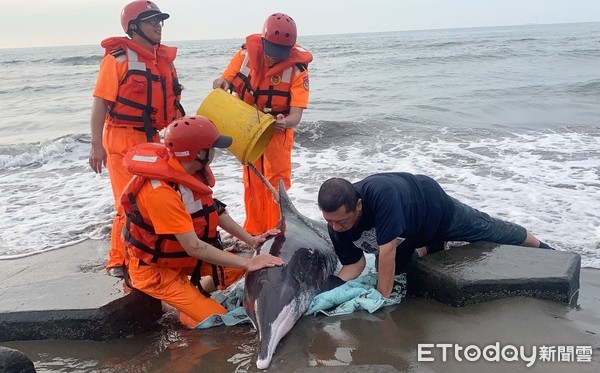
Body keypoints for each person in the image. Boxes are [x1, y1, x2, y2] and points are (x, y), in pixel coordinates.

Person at [120, 115, 284, 327]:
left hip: (178, 258)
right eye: (212, 147)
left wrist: (252, 241)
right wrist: (248, 262)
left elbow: (214, 211)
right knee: (218, 320)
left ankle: (197, 293)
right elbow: (194, 247)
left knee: (239, 269)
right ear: (198, 153)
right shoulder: (160, 193)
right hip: (155, 270)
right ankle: (185, 313)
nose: (216, 151)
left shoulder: (188, 170)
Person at [317, 172, 555, 298]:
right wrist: (329, 289)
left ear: (358, 205)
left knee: (489, 229)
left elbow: (387, 249)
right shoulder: (335, 224)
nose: (335, 227)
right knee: (398, 272)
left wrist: (382, 296)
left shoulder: (381, 195)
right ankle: (431, 246)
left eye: (341, 221)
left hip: (435, 209)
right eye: (330, 221)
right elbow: (354, 264)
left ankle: (541, 246)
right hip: (408, 236)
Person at [88, 1, 185, 277]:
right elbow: (100, 104)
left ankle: (148, 253)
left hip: (152, 139)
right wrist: (96, 145)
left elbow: (173, 105)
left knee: (154, 198)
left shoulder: (163, 61)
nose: (158, 26)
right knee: (127, 200)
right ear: (133, 27)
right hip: (121, 138)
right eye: (151, 20)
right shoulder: (117, 59)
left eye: (160, 21)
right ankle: (118, 260)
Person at [212, 13, 313, 235]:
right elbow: (226, 79)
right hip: (247, 127)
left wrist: (284, 122)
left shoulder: (298, 70)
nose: (274, 58)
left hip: (277, 132)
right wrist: (222, 82)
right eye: (272, 51)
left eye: (281, 53)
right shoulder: (244, 55)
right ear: (263, 41)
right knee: (251, 180)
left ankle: (277, 233)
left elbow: (296, 115)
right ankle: (255, 231)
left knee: (277, 184)